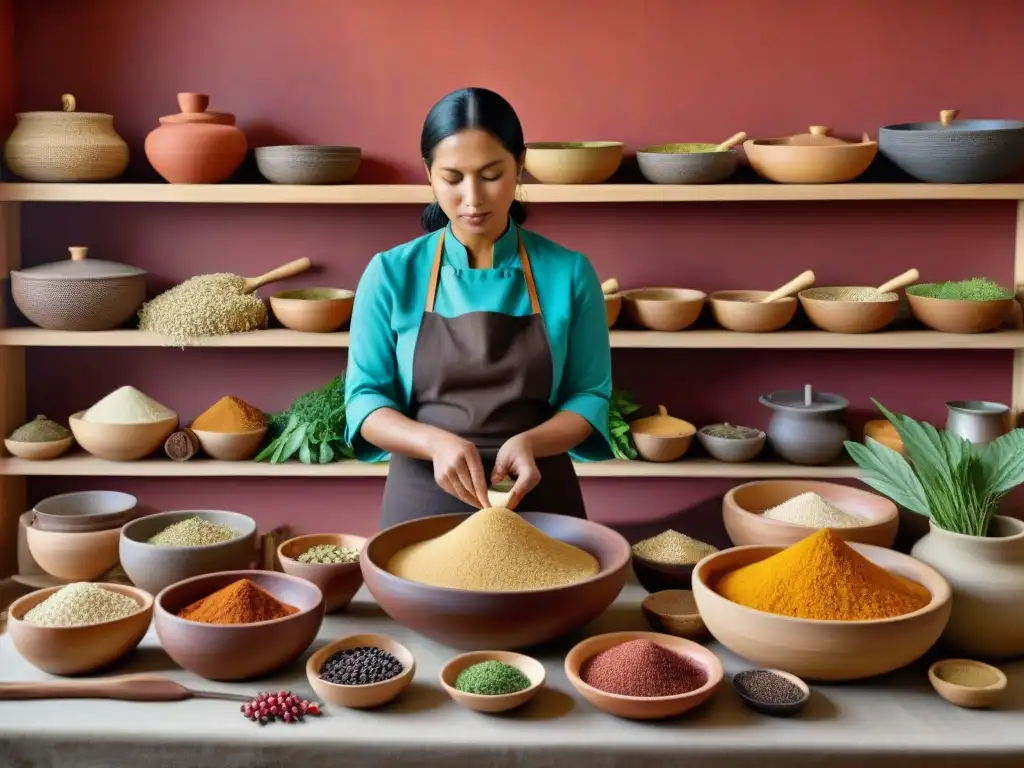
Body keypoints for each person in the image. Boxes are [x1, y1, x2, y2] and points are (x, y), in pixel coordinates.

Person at [344, 87, 613, 528]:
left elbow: (589, 396)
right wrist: (433, 443)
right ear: (429, 174)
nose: (472, 198)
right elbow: (364, 401)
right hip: (424, 492)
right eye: (452, 178)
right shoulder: (391, 273)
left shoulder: (569, 272)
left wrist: (531, 442)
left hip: (537, 490)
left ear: (520, 165)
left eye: (491, 174)